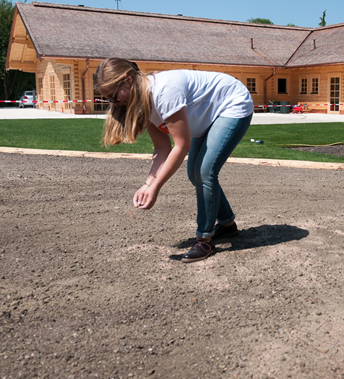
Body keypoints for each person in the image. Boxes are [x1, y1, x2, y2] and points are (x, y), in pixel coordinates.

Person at [95, 58, 254, 263]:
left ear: (127, 81)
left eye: (113, 96)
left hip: (231, 103)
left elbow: (181, 145)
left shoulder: (164, 91)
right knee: (194, 173)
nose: (114, 103)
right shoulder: (143, 100)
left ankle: (204, 239)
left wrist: (156, 188)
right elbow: (162, 148)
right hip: (208, 115)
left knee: (205, 172)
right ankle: (227, 225)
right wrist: (148, 184)